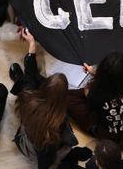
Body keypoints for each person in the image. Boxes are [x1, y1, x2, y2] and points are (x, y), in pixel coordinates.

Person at [10, 28, 84, 167]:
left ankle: (19, 79)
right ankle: (20, 79)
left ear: (45, 86)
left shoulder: (29, 99)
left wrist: (31, 45)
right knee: (68, 139)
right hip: (37, 146)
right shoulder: (59, 120)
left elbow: (31, 76)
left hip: (30, 139)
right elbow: (46, 159)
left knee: (27, 82)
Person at [70, 51, 123, 149]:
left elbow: (90, 104)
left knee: (69, 97)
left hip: (107, 131)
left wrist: (88, 91)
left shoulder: (97, 93)